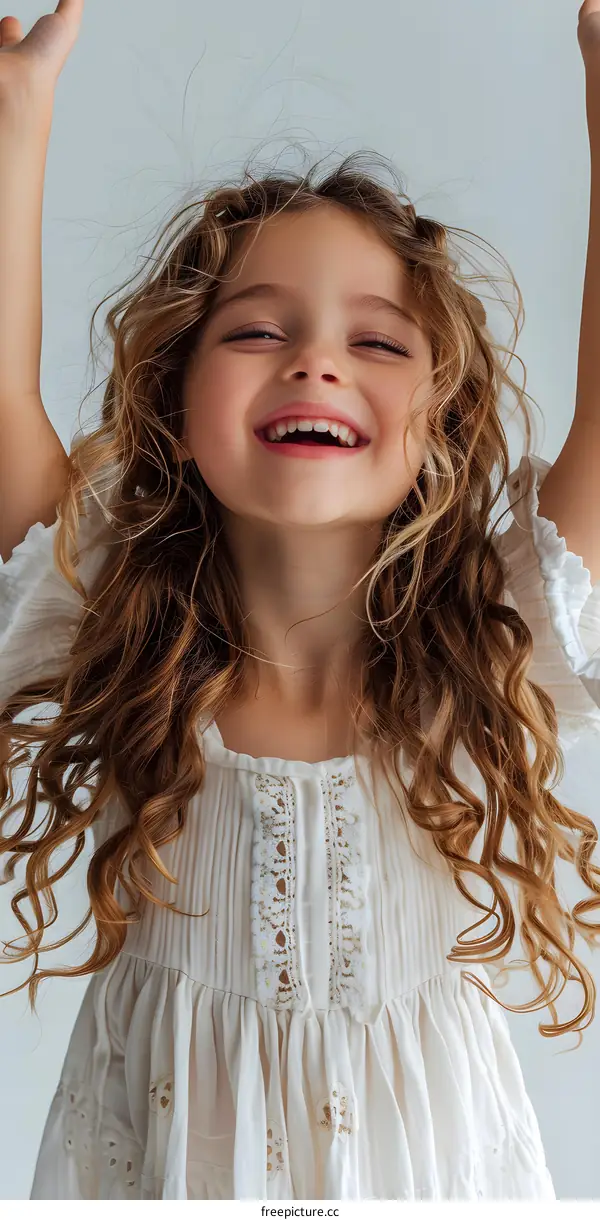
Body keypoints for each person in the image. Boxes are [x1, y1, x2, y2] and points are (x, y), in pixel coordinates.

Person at [1, 0, 600, 1202]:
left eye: (379, 343)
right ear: (174, 400)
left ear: (440, 426)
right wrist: (18, 125)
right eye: (258, 328)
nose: (315, 360)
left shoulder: (493, 642)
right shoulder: (111, 616)